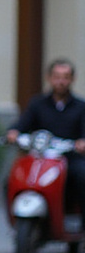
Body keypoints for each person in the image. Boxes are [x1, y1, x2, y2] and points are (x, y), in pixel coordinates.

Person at [6, 58, 85, 217]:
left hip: (69, 159)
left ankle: (80, 224)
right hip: (40, 159)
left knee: (82, 176)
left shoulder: (80, 106)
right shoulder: (37, 104)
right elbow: (21, 124)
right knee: (9, 181)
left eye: (65, 77)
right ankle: (15, 221)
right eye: (57, 77)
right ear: (49, 78)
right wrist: (13, 132)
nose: (61, 81)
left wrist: (82, 143)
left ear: (72, 79)